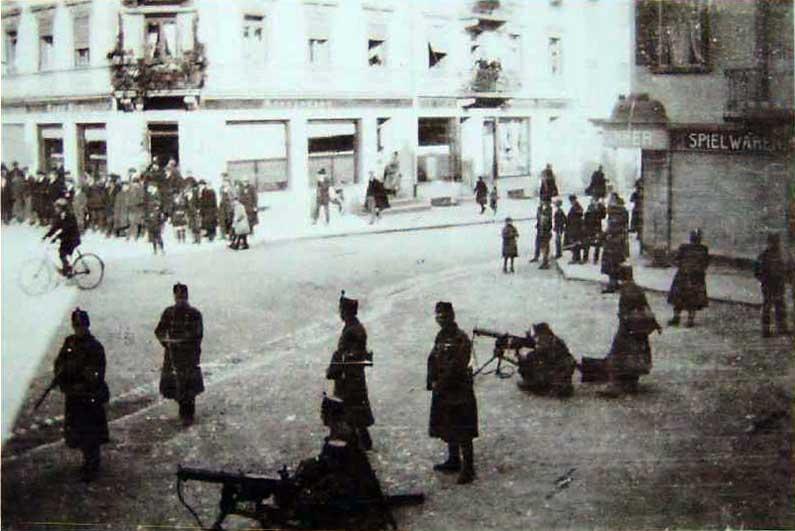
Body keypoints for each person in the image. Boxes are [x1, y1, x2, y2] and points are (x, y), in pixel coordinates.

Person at [53, 308, 110, 482]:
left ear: (87, 326)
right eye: (76, 326)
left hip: (89, 396)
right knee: (78, 431)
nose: (79, 329)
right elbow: (59, 362)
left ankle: (92, 464)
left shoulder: (95, 347)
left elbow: (96, 373)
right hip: (75, 396)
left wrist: (81, 382)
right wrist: (61, 375)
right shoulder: (69, 342)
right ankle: (87, 461)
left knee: (91, 433)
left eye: (82, 326)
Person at [427, 301, 478, 485]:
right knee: (448, 424)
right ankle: (454, 460)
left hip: (459, 390)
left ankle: (468, 468)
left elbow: (457, 365)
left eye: (444, 316)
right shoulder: (441, 336)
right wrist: (431, 378)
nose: (441, 319)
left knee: (463, 429)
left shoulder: (461, 338)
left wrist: (440, 382)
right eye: (438, 316)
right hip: (444, 389)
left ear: (452, 316)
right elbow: (433, 357)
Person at [602, 266, 662, 397]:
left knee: (620, 354)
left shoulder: (625, 291)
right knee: (638, 354)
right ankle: (632, 383)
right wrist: (654, 324)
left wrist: (623, 328)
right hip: (640, 328)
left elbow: (624, 313)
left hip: (628, 328)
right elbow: (646, 307)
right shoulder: (638, 289)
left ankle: (617, 386)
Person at [326, 292, 374, 451]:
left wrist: (338, 365)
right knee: (352, 409)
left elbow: (352, 354)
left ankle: (362, 442)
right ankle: (363, 440)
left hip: (350, 377)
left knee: (351, 408)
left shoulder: (354, 330)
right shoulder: (353, 327)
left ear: (347, 311)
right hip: (350, 376)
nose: (340, 313)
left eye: (342, 310)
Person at [156, 283, 204, 426]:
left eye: (182, 296)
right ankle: (184, 413)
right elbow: (159, 331)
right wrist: (166, 342)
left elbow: (197, 335)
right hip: (173, 356)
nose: (180, 300)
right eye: (178, 297)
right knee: (177, 387)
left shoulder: (195, 314)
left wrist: (182, 342)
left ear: (187, 297)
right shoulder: (168, 313)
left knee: (188, 389)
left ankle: (187, 416)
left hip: (188, 356)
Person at [516, 323, 576, 398]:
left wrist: (525, 358)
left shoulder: (547, 341)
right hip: (561, 372)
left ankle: (539, 385)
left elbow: (539, 353)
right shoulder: (553, 340)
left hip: (558, 376)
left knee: (527, 365)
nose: (536, 338)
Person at [667, 229, 710, 327]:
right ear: (700, 239)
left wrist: (682, 266)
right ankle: (690, 319)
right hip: (696, 277)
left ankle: (676, 318)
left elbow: (676, 260)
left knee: (679, 297)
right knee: (693, 298)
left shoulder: (684, 247)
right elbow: (706, 263)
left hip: (683, 275)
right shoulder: (703, 249)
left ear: (690, 238)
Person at [754, 233, 790, 337]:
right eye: (773, 242)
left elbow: (787, 268)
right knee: (768, 307)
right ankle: (766, 329)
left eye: (776, 242)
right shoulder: (764, 256)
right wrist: (764, 280)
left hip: (778, 283)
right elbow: (757, 271)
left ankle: (782, 328)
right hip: (769, 284)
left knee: (780, 306)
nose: (775, 244)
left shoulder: (781, 255)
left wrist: (784, 277)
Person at [42, 198, 81, 276]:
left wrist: (56, 237)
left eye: (57, 207)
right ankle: (67, 268)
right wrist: (47, 235)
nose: (56, 209)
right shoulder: (60, 216)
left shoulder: (68, 215)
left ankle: (68, 270)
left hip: (72, 238)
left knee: (62, 252)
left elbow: (66, 229)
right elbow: (56, 227)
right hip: (67, 238)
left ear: (62, 207)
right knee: (62, 252)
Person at [582, 196, 606, 264]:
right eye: (593, 200)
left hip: (597, 227)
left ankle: (595, 258)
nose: (594, 201)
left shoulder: (600, 207)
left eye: (595, 200)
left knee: (597, 244)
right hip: (589, 227)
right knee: (587, 243)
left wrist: (602, 208)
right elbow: (586, 216)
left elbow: (603, 216)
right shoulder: (590, 207)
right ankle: (585, 257)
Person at [564, 194, 584, 264]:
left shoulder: (577, 207)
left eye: (572, 200)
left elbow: (580, 214)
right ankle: (576, 258)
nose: (571, 202)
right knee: (574, 243)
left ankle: (576, 258)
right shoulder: (575, 207)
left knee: (575, 243)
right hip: (573, 227)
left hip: (576, 227)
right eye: (571, 200)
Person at [537, 201, 553, 270]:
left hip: (544, 234)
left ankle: (545, 262)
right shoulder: (546, 212)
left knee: (544, 248)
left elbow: (545, 224)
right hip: (544, 233)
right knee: (544, 248)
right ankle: (545, 261)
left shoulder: (547, 213)